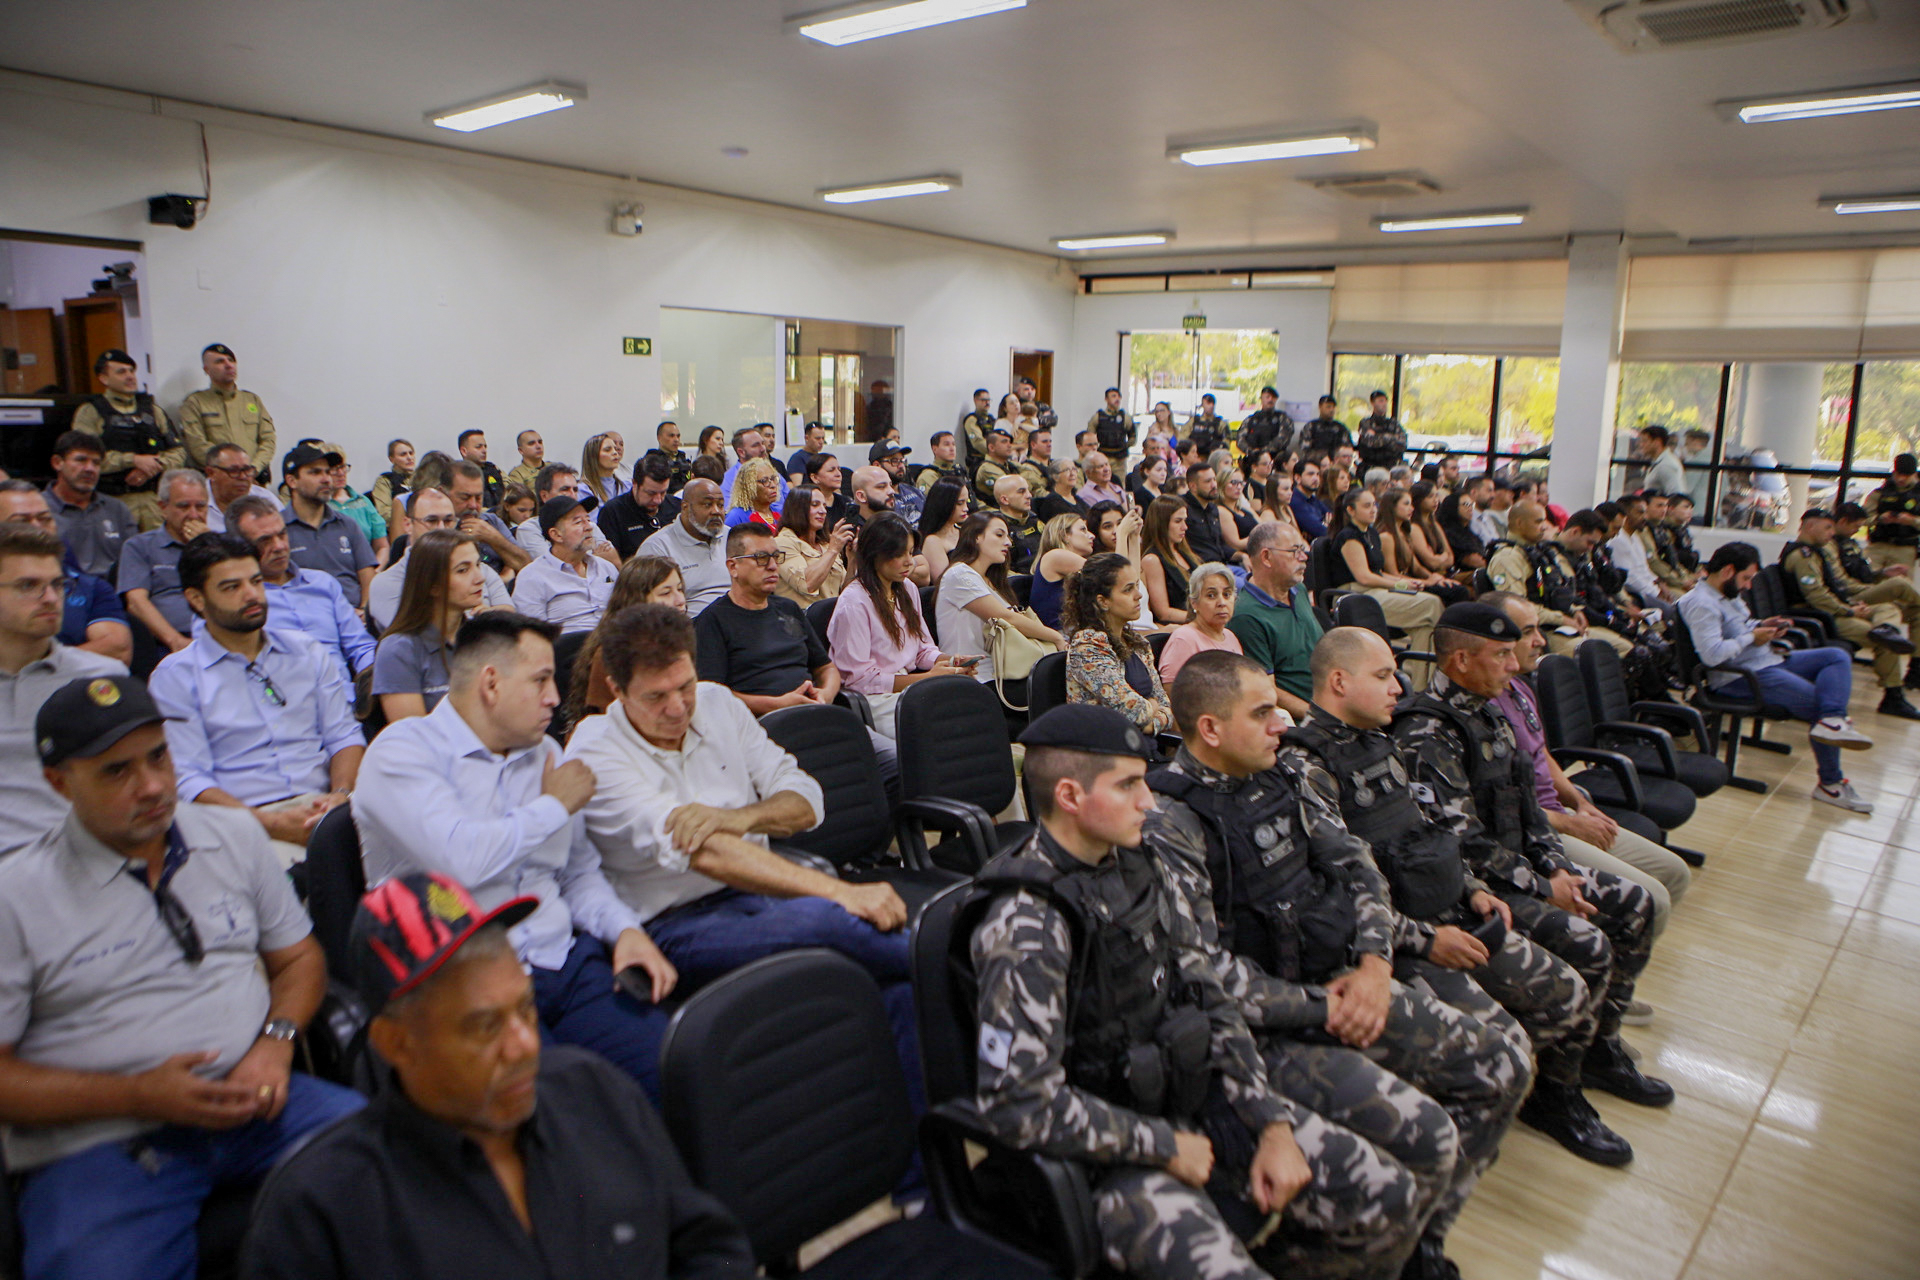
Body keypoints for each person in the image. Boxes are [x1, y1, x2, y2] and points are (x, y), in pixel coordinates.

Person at [974, 704, 1400, 1280]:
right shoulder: (1027, 924)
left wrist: (1271, 1122)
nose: (1148, 802)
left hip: (1182, 1091)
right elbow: (1017, 1104)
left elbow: (1206, 987)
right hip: (1102, 1152)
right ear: (1071, 796)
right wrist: (1162, 1144)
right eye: (1127, 786)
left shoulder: (1139, 861)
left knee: (1381, 1189)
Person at [1153, 650, 1530, 1275]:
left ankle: (1416, 1243)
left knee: (1499, 1066)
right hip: (1263, 1028)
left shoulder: (1284, 775)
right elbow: (1206, 974)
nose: (1283, 722)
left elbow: (1359, 869)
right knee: (1425, 1139)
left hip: (1341, 980)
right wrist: (1328, 1004)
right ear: (1212, 730)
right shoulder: (1173, 824)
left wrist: (1377, 963)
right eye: (1263, 712)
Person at [0, 674, 365, 1280]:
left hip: (260, 1105)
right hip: (105, 1142)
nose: (152, 786)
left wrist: (275, 1044)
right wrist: (136, 1093)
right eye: (116, 772)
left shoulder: (231, 836)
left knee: (397, 1175)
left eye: (158, 758)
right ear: (59, 784)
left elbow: (298, 959)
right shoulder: (17, 895)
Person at [243, 871, 753, 1280]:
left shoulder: (595, 1094)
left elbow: (709, 1246)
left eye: (526, 1010)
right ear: (396, 1043)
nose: (525, 1044)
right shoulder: (324, 1208)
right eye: (485, 1026)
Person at [1285, 630, 1603, 1170]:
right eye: (1383, 675)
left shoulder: (1380, 741)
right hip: (1392, 940)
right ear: (1339, 681)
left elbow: (1427, 827)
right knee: (1506, 1050)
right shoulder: (1305, 766)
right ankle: (1440, 1163)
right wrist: (1429, 940)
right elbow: (1343, 891)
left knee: (1566, 989)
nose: (1399, 686)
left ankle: (1539, 1104)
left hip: (1446, 909)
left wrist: (1474, 888)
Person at [565, 603, 917, 1070]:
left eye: (684, 686)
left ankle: (919, 1133)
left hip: (761, 893)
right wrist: (840, 893)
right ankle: (961, 955)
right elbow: (703, 853)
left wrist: (738, 818)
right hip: (674, 923)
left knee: (899, 992)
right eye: (655, 697)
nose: (676, 708)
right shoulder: (595, 747)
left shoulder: (716, 703)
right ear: (616, 690)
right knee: (830, 921)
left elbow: (805, 799)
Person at [356, 611, 678, 1097]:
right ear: (490, 683)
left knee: (675, 1073)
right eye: (541, 680)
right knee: (564, 1112)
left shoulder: (543, 753)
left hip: (562, 962)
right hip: (467, 984)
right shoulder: (403, 751)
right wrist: (554, 806)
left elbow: (575, 874)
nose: (554, 697)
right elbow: (460, 863)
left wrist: (625, 930)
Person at [1392, 604, 1672, 1162]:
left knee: (1634, 904)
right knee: (1589, 944)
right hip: (1482, 880)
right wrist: (1543, 887)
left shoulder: (1494, 713)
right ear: (1461, 660)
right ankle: (1556, 1091)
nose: (1515, 659)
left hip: (1522, 866)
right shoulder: (1428, 730)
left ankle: (1598, 1046)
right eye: (1500, 653)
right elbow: (1462, 841)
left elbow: (1529, 812)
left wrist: (1556, 867)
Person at [1485, 592, 1694, 941]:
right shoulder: (1482, 707)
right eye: (1527, 633)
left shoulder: (1520, 688)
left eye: (1539, 629)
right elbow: (1500, 805)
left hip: (1560, 814)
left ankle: (1615, 949)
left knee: (1675, 873)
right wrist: (1570, 823)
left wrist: (1580, 803)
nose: (1540, 641)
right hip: (1532, 829)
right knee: (1653, 899)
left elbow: (1542, 755)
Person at [149, 533, 363, 865]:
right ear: (196, 598)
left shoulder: (306, 651)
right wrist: (271, 824)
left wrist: (341, 796)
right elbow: (189, 778)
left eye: (255, 581)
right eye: (231, 587)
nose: (252, 595)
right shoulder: (176, 676)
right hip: (243, 820)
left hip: (326, 806)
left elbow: (343, 735)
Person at [0, 525, 128, 857]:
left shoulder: (102, 678)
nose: (51, 598)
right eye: (29, 585)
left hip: (84, 862)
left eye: (57, 584)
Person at [829, 515, 974, 733]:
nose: (910, 561)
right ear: (874, 555)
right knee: (943, 726)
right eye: (899, 554)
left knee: (970, 709)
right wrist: (925, 679)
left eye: (911, 551)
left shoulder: (907, 588)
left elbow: (922, 650)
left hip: (911, 688)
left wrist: (951, 662)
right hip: (876, 700)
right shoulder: (854, 602)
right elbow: (860, 680)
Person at [1782, 508, 1920, 719]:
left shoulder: (1816, 552)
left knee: (1887, 609)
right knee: (1885, 641)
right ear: (1810, 526)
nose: (1831, 533)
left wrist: (1848, 607)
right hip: (1820, 618)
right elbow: (1817, 597)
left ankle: (1887, 629)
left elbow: (1833, 588)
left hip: (1834, 609)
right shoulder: (1803, 556)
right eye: (1827, 527)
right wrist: (1848, 610)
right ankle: (1893, 697)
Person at [227, 496, 375, 688]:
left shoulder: (322, 583)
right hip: (281, 704)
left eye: (282, 535)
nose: (279, 546)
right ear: (240, 546)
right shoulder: (237, 601)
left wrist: (371, 685)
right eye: (265, 540)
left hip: (346, 700)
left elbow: (361, 646)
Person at [934, 512, 1064, 710]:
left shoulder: (989, 581)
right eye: (999, 535)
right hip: (978, 678)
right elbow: (1005, 617)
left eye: (1008, 536)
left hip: (1005, 672)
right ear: (976, 537)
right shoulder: (959, 574)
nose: (1009, 543)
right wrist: (1056, 637)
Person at [0, 482, 133, 667]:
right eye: (21, 521)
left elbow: (117, 649)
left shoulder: (91, 587)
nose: (37, 528)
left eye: (45, 518)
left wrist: (41, 668)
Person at [1486, 500, 1631, 657]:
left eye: (1544, 521)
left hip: (1560, 624)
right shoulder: (1507, 558)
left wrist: (1573, 611)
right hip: (1539, 631)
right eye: (1538, 521)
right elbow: (1517, 610)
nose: (1544, 526)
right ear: (1520, 523)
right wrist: (1561, 618)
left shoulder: (1541, 552)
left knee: (1627, 645)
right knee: (1609, 652)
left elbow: (1558, 591)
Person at [561, 557, 686, 735]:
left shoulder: (679, 641)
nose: (680, 600)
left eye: (680, 589)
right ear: (638, 600)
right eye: (665, 593)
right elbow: (613, 724)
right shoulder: (612, 653)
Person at [1327, 488, 1441, 675]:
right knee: (1432, 604)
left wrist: (1407, 583)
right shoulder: (1348, 536)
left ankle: (1419, 681)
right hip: (1355, 594)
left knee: (1425, 625)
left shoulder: (1371, 533)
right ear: (1350, 510)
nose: (1373, 510)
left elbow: (1378, 573)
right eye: (1366, 506)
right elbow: (1364, 576)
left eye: (1374, 505)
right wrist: (1398, 585)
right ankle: (1426, 676)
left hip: (1373, 589)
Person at [371, 529, 483, 721]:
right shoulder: (399, 650)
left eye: (479, 565)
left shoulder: (484, 637)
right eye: (463, 570)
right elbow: (415, 739)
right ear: (432, 585)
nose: (480, 577)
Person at [70, 349, 185, 532]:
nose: (130, 376)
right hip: (112, 500)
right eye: (121, 372)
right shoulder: (91, 412)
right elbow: (84, 458)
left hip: (153, 501)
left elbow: (178, 452)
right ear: (104, 378)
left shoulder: (152, 411)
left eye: (131, 371)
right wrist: (133, 460)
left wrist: (153, 467)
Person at [366, 488, 512, 631]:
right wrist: (485, 620)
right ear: (408, 524)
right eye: (432, 520)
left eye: (449, 520)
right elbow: (414, 636)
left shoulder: (480, 569)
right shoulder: (386, 583)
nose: (442, 529)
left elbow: (511, 617)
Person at [1226, 522, 1320, 721]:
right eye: (1294, 551)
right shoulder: (1246, 616)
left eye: (1302, 550)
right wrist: (1322, 717)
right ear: (1266, 557)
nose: (1303, 558)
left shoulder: (1299, 590)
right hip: (1304, 720)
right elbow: (1267, 690)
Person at [117, 469, 211, 653]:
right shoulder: (139, 546)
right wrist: (175, 641)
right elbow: (136, 602)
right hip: (168, 642)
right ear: (163, 508)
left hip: (222, 637)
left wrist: (209, 545)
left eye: (200, 506)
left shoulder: (221, 544)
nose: (193, 515)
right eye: (183, 507)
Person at [280, 444, 377, 609]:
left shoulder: (347, 524)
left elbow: (367, 574)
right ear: (292, 481)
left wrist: (363, 611)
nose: (326, 479)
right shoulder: (277, 529)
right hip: (303, 619)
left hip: (352, 615)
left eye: (327, 471)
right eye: (315, 472)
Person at [515, 496, 619, 635]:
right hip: (567, 651)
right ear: (556, 535)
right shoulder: (532, 577)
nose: (589, 527)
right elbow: (533, 637)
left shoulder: (606, 567)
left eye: (588, 519)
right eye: (578, 522)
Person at [44, 430, 137, 583]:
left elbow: (134, 562)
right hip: (61, 592)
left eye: (96, 463)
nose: (90, 469)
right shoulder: (37, 509)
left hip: (112, 594)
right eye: (81, 460)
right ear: (57, 463)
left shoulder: (117, 509)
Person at [174, 343, 274, 478]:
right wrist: (234, 471)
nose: (228, 365)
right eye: (220, 361)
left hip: (254, 478)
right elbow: (197, 445)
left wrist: (253, 468)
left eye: (231, 360)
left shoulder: (252, 400)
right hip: (219, 481)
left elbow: (268, 440)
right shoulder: (195, 402)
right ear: (206, 369)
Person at [638, 477, 730, 615]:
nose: (716, 511)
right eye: (707, 504)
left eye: (721, 505)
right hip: (692, 627)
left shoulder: (732, 536)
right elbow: (647, 608)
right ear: (685, 507)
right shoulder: (657, 547)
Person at [1158, 562, 1242, 685]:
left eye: (1227, 594)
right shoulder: (1184, 638)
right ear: (1194, 603)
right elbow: (1173, 691)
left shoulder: (1230, 636)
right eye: (1211, 595)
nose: (1221, 602)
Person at [772, 482, 852, 607]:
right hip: (801, 620)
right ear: (797, 509)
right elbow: (807, 584)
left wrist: (853, 559)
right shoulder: (781, 543)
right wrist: (833, 550)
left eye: (824, 506)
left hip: (832, 617)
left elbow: (846, 591)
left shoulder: (826, 544)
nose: (823, 511)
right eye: (815, 505)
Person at [447, 459, 531, 578]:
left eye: (478, 498)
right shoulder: (437, 527)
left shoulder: (491, 521)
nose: (473, 505)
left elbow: (526, 565)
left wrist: (492, 537)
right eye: (465, 497)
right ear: (444, 493)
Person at [324, 445, 389, 566]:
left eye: (343, 467)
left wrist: (374, 573)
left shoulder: (362, 501)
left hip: (366, 570)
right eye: (333, 469)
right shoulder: (318, 505)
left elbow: (382, 547)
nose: (341, 473)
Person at [1140, 496, 1199, 627]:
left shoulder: (1183, 551)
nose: (1185, 527)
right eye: (1178, 521)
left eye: (1185, 520)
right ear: (1161, 524)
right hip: (1179, 627)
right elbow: (1163, 612)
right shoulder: (1152, 560)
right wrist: (1203, 616)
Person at [1607, 492, 1673, 607]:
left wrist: (1659, 583)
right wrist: (1656, 593)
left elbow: (1644, 569)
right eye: (1640, 513)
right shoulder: (1618, 540)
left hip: (1649, 589)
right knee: (1671, 609)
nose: (1645, 517)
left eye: (1646, 513)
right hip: (1635, 594)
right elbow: (1630, 579)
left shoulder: (1635, 537)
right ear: (1625, 515)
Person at [200, 441, 281, 533]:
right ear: (211, 473)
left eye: (247, 470)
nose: (243, 477)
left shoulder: (265, 499)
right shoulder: (193, 501)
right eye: (234, 471)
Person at [1030, 512, 1091, 633]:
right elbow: (1115, 575)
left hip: (1077, 633)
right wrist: (1122, 534)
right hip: (1063, 638)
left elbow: (1130, 579)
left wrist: (1133, 538)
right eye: (1083, 530)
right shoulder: (1054, 556)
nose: (1092, 535)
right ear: (1065, 535)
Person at [1866, 452, 1920, 574]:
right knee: (1866, 579)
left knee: (1898, 586)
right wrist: (1879, 518)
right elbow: (1862, 518)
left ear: (1915, 475)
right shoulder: (1880, 493)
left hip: (1905, 548)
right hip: (1878, 545)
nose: (1901, 479)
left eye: (1906, 475)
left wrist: (1912, 521)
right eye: (1898, 474)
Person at [1181, 460, 1237, 567]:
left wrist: (1241, 556)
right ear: (1193, 486)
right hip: (1202, 568)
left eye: (1214, 480)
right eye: (1208, 481)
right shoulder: (1182, 508)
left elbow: (1219, 546)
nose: (1214, 485)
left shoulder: (1213, 508)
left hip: (1223, 563)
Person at [916, 478, 971, 583]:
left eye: (966, 502)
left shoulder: (963, 531)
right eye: (960, 503)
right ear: (944, 503)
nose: (966, 508)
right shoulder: (933, 541)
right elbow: (944, 583)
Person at [869, 440, 924, 524]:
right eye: (894, 461)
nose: (901, 466)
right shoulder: (874, 499)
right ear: (877, 465)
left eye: (902, 460)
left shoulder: (914, 491)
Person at [1238, 386, 1295, 461]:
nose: (1270, 399)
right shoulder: (1251, 419)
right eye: (1267, 397)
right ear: (1261, 399)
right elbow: (1240, 440)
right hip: (1252, 458)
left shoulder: (1283, 418)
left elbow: (1283, 439)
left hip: (1275, 459)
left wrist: (1263, 452)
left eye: (1273, 397)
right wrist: (1251, 451)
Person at [1354, 390, 1406, 472]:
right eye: (1381, 401)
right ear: (1373, 403)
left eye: (1385, 401)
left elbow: (1402, 443)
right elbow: (1369, 442)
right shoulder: (1366, 423)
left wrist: (1379, 437)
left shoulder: (1394, 423)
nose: (1384, 404)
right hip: (1370, 466)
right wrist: (1391, 438)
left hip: (1390, 466)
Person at [1437, 489, 1487, 573]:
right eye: (1466, 504)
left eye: (1472, 505)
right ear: (1453, 507)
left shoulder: (1469, 532)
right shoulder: (1448, 533)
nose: (1470, 508)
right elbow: (1473, 561)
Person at [578, 432, 629, 513]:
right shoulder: (584, 490)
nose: (615, 453)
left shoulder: (627, 487)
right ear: (593, 456)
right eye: (607, 450)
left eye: (615, 449)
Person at [369, 439, 414, 530]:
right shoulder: (384, 481)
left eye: (411, 453)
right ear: (391, 459)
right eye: (403, 454)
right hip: (399, 531)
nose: (409, 457)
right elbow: (384, 513)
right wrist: (414, 516)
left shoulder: (421, 479)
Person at [455, 430, 505, 510]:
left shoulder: (493, 469)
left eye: (485, 447)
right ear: (464, 451)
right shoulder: (457, 474)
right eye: (478, 447)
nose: (484, 451)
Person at [1087, 386, 1133, 468]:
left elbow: (1133, 437)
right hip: (1102, 456)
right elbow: (1090, 435)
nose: (1117, 399)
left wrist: (1124, 446)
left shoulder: (1126, 418)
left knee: (1119, 481)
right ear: (1106, 399)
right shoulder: (1098, 417)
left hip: (1119, 460)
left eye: (1119, 396)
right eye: (1113, 396)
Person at [1637, 426, 1685, 499]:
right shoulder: (1659, 462)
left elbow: (1675, 495)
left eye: (1644, 441)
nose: (1641, 445)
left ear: (1657, 442)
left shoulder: (1666, 465)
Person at [1299, 395, 1352, 459]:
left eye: (1333, 407)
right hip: (1315, 463)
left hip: (1336, 463)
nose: (1331, 410)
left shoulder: (1340, 428)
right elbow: (1305, 448)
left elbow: (1348, 448)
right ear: (1320, 407)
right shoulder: (1311, 426)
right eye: (1328, 407)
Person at [1289, 456, 1329, 540]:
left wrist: (1325, 524)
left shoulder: (1313, 498)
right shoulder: (1295, 501)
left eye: (1318, 474)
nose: (1316, 478)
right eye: (1310, 474)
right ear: (1297, 478)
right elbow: (1319, 530)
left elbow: (1333, 517)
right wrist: (1325, 524)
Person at [958, 389, 995, 471]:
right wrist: (996, 452)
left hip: (991, 459)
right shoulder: (972, 420)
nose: (987, 403)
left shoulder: (991, 419)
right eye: (983, 400)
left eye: (988, 400)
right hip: (977, 462)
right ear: (975, 400)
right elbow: (978, 443)